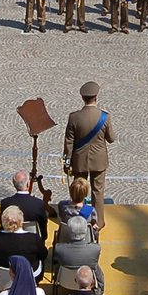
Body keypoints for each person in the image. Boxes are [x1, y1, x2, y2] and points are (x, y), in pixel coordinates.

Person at [63, 81, 116, 229]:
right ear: (96, 97)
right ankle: (98, 222)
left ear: (82, 98)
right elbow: (111, 139)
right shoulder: (104, 117)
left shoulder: (74, 117)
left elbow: (68, 143)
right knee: (98, 192)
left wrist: (66, 162)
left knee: (79, 191)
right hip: (99, 160)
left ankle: (77, 220)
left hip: (79, 160)